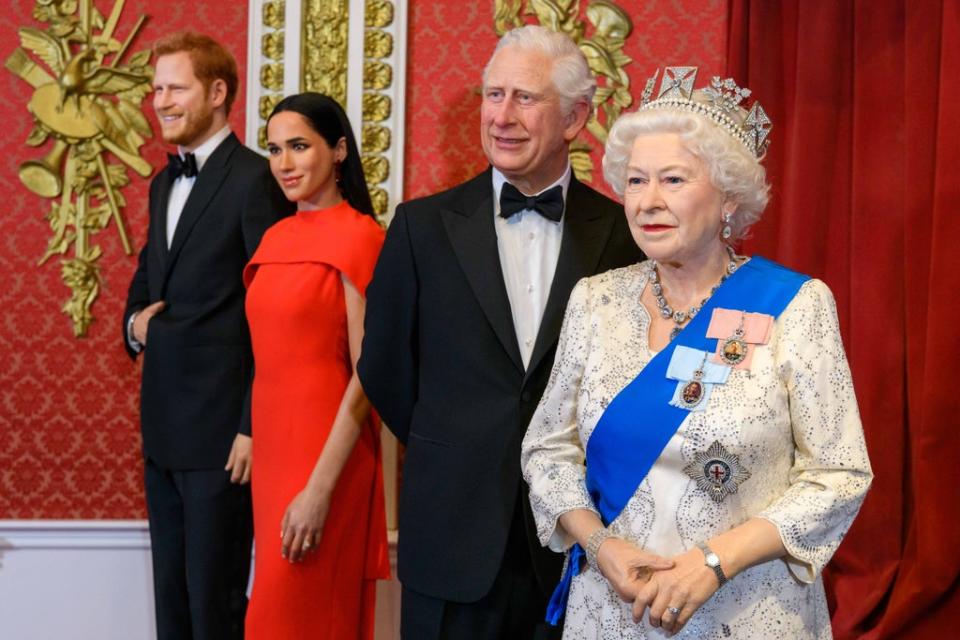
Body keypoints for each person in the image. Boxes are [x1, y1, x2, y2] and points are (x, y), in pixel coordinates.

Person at [521, 66, 873, 638]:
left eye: (674, 181)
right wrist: (599, 543)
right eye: (635, 181)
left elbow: (839, 473)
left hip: (747, 610)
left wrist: (715, 561)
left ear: (729, 197)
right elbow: (547, 449)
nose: (647, 202)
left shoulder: (794, 305)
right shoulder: (596, 301)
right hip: (613, 608)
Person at [358, 25, 643, 639]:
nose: (502, 116)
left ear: (574, 118)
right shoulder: (420, 228)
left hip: (580, 543)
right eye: (494, 95)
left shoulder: (624, 235)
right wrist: (456, 439)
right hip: (451, 534)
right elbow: (384, 367)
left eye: (525, 98)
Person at [122, 32, 293, 640]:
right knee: (171, 601)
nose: (159, 101)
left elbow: (271, 315)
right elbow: (147, 279)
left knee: (213, 604)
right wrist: (134, 323)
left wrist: (251, 424)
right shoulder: (161, 183)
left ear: (217, 92)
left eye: (174, 87)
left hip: (224, 434)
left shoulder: (256, 179)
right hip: (162, 427)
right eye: (155, 89)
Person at [242, 92, 390, 639]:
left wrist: (319, 490)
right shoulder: (273, 238)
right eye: (275, 149)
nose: (284, 163)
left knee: (302, 616)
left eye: (299, 146)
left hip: (327, 460)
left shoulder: (362, 238)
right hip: (274, 460)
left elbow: (366, 376)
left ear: (340, 150)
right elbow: (269, 361)